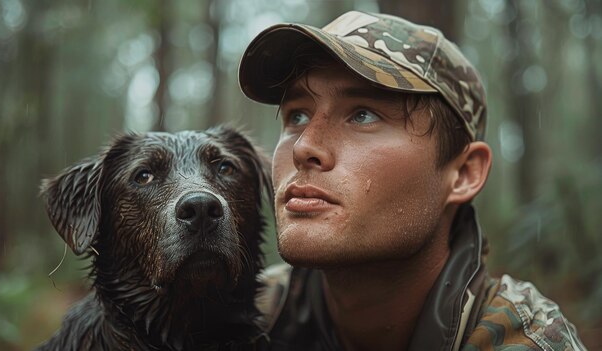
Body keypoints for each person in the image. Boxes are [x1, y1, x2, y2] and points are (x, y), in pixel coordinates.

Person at [238, 11, 586, 351]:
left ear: (463, 174)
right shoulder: (242, 319)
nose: (304, 147)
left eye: (362, 115)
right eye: (297, 115)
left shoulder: (526, 341)